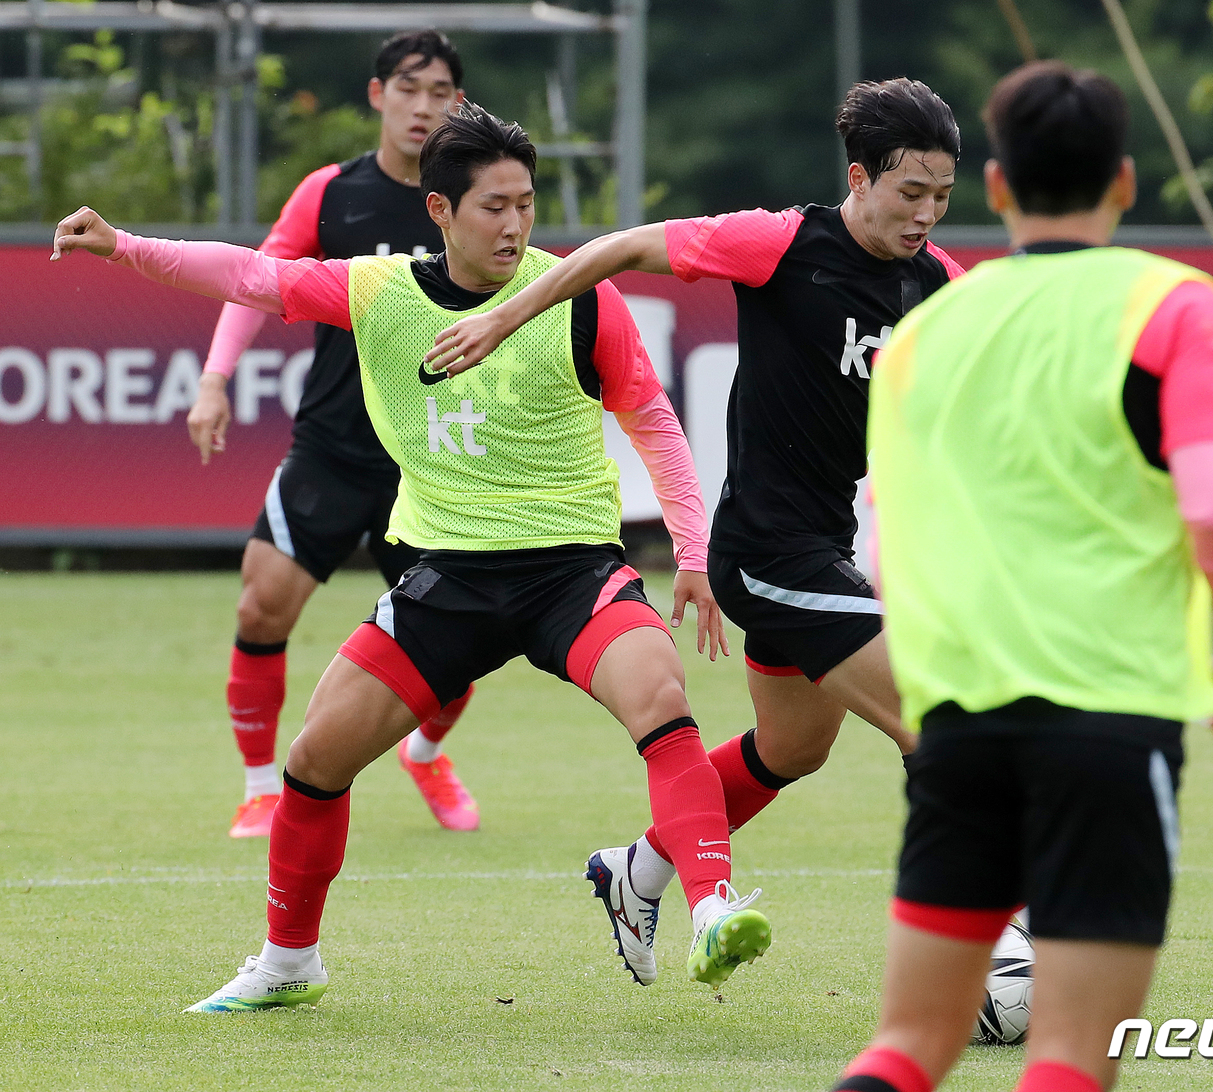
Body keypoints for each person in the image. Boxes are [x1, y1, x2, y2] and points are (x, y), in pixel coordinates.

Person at [52, 102, 769, 1011]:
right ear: (440, 210)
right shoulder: (379, 292)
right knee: (315, 759)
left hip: (573, 572)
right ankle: (287, 962)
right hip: (448, 579)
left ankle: (709, 908)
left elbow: (655, 424)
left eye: (526, 203)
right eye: (493, 206)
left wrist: (693, 552)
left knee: (662, 698)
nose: (514, 225)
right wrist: (122, 246)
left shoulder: (580, 294)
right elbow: (250, 274)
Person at [420, 77, 965, 986]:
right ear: (859, 178)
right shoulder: (781, 243)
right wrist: (505, 316)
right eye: (911, 192)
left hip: (825, 546)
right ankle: (990, 944)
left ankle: (636, 869)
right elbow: (626, 246)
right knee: (938, 725)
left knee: (793, 750)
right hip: (767, 554)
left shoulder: (937, 282)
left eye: (942, 196)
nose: (926, 213)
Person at [832, 62, 1213, 1092]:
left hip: (961, 721)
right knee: (1070, 1058)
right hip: (1110, 719)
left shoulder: (930, 327)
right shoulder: (1172, 303)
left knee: (907, 1046)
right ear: (1123, 181)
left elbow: (888, 529)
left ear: (994, 186)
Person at [189, 30, 481, 838]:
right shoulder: (331, 193)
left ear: (459, 103)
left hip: (433, 459)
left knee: (464, 641)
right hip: (333, 448)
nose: (424, 106)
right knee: (262, 607)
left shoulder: (472, 196)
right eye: (409, 88)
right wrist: (214, 379)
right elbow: (254, 280)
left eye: (441, 92)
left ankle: (425, 755)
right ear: (378, 94)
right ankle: (260, 788)